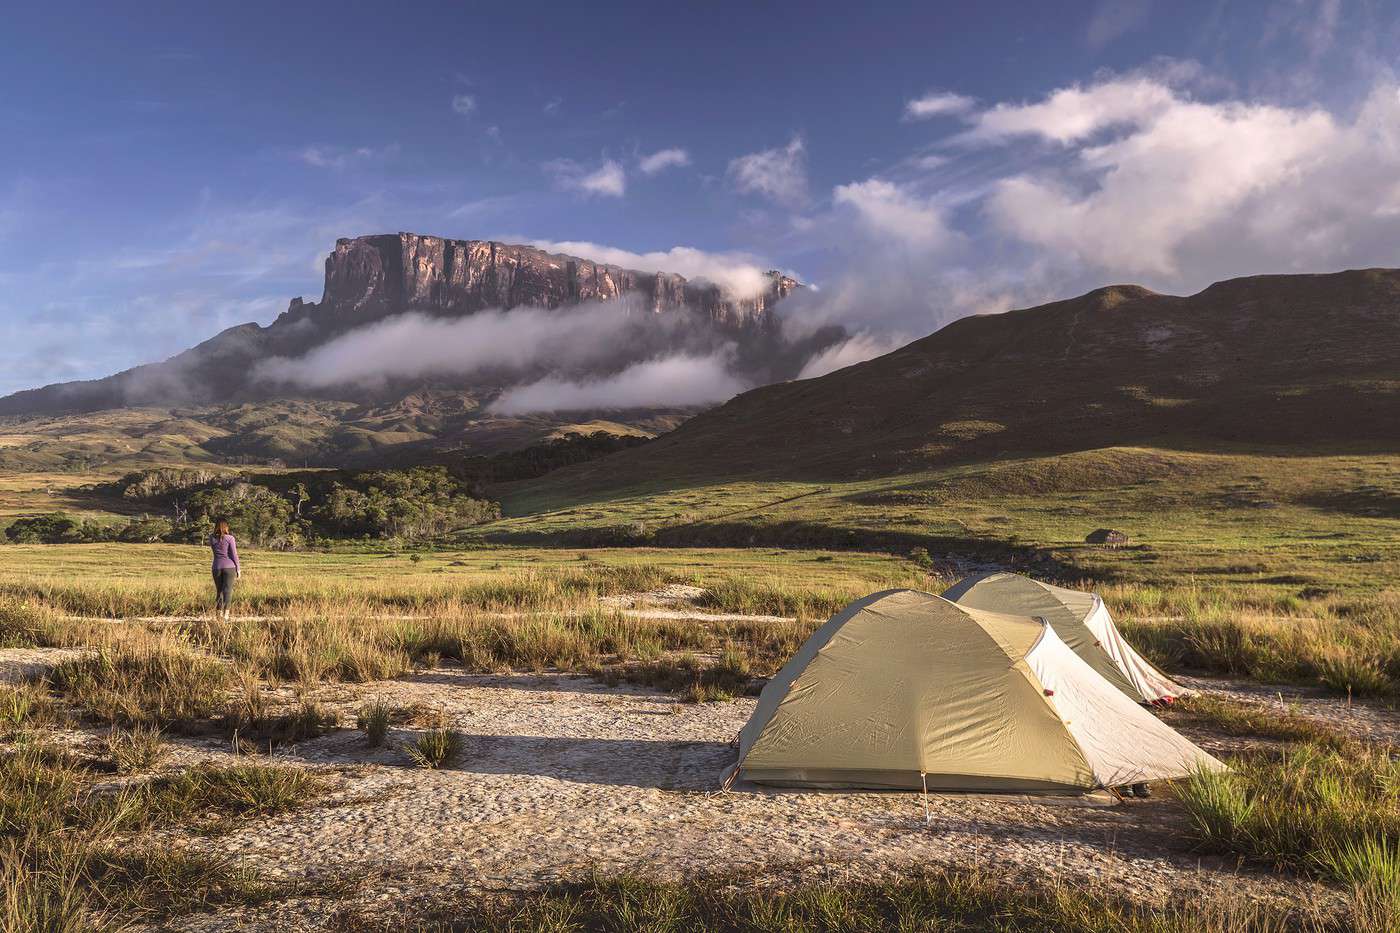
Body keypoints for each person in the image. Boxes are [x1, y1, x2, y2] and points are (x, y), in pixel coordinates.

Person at [209, 520, 240, 621]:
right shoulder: (230, 538)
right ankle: (226, 615)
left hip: (216, 567)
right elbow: (234, 554)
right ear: (226, 527)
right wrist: (238, 569)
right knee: (228, 591)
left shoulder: (211, 538)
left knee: (219, 591)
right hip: (229, 567)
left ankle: (218, 615)